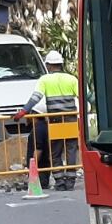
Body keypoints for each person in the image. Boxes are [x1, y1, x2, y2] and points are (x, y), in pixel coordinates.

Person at [16, 50, 79, 191]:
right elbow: (86, 96)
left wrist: (23, 111)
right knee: (71, 150)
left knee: (55, 151)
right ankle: (70, 181)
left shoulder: (45, 80)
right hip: (70, 119)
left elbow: (36, 97)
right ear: (61, 64)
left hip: (55, 120)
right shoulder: (72, 79)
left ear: (49, 65)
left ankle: (60, 182)